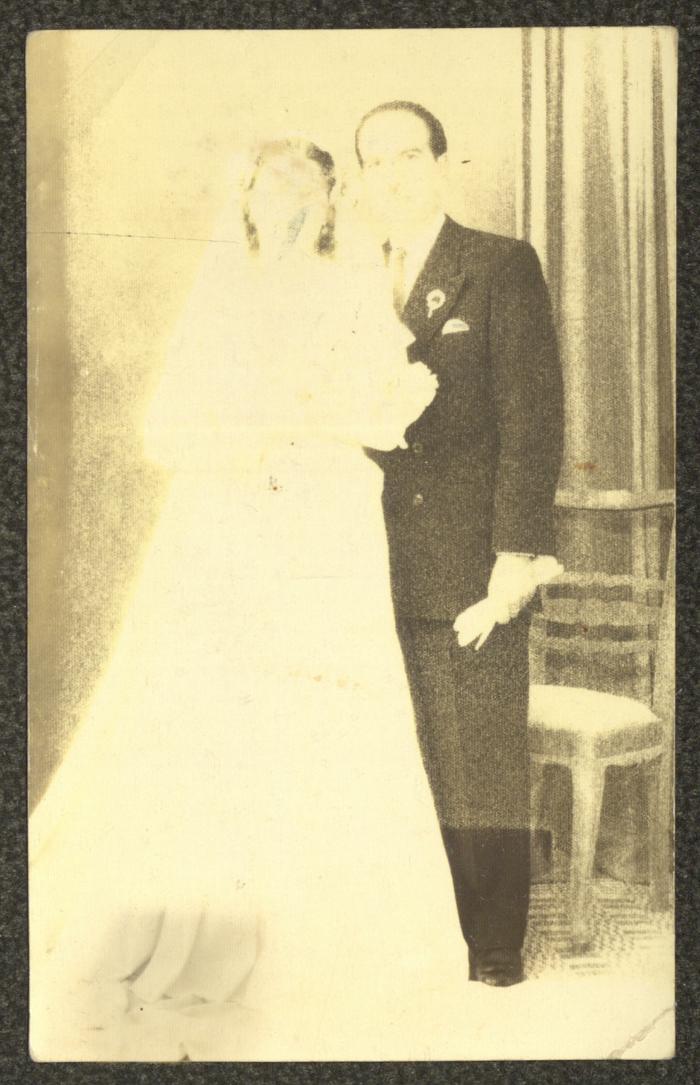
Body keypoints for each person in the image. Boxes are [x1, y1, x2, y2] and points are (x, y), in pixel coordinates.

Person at [28, 137, 470, 1061]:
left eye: (308, 192)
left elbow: (385, 410)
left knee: (328, 708)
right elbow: (166, 429)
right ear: (248, 202)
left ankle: (336, 943)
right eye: (275, 191)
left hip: (330, 519)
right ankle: (212, 932)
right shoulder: (223, 295)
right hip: (231, 520)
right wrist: (257, 436)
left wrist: (332, 414)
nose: (291, 207)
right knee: (220, 710)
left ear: (331, 203)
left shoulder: (353, 288)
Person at [355, 101, 564, 987]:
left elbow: (533, 420)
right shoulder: (350, 276)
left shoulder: (498, 264)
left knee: (479, 759)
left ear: (443, 163)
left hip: (471, 561)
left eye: (409, 155)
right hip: (366, 557)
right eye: (377, 162)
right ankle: (422, 941)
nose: (394, 175)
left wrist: (515, 555)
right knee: (401, 759)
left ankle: (494, 949)